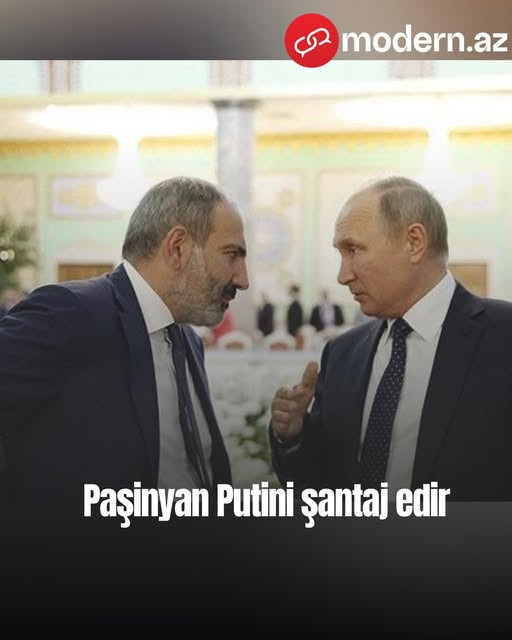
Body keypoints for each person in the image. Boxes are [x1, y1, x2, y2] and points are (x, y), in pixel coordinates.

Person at [0, 176, 249, 510]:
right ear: (178, 247)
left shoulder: (188, 340)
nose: (243, 279)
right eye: (231, 255)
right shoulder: (70, 314)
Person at [270, 176, 512, 501]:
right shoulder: (342, 354)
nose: (343, 275)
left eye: (354, 250)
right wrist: (294, 438)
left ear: (414, 242)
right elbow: (321, 487)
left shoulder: (502, 338)